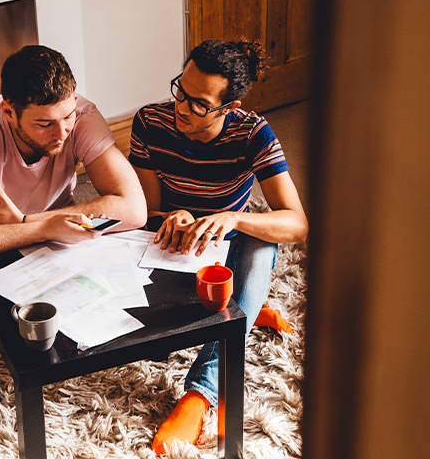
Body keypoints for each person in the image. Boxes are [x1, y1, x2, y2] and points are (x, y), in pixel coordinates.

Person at [129, 38, 308, 455]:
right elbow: (145, 212)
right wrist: (167, 218)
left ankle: (198, 396)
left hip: (227, 248)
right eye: (181, 91)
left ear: (230, 108)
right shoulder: (149, 124)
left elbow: (297, 224)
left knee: (262, 247)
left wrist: (233, 218)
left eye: (199, 104)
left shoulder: (253, 134)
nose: (182, 107)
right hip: (172, 242)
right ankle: (245, 306)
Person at [0, 45, 147, 268]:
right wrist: (41, 228)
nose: (61, 133)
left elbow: (134, 209)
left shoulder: (83, 115)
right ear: (9, 113)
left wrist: (28, 221)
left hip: (62, 238)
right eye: (45, 124)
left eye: (67, 117)